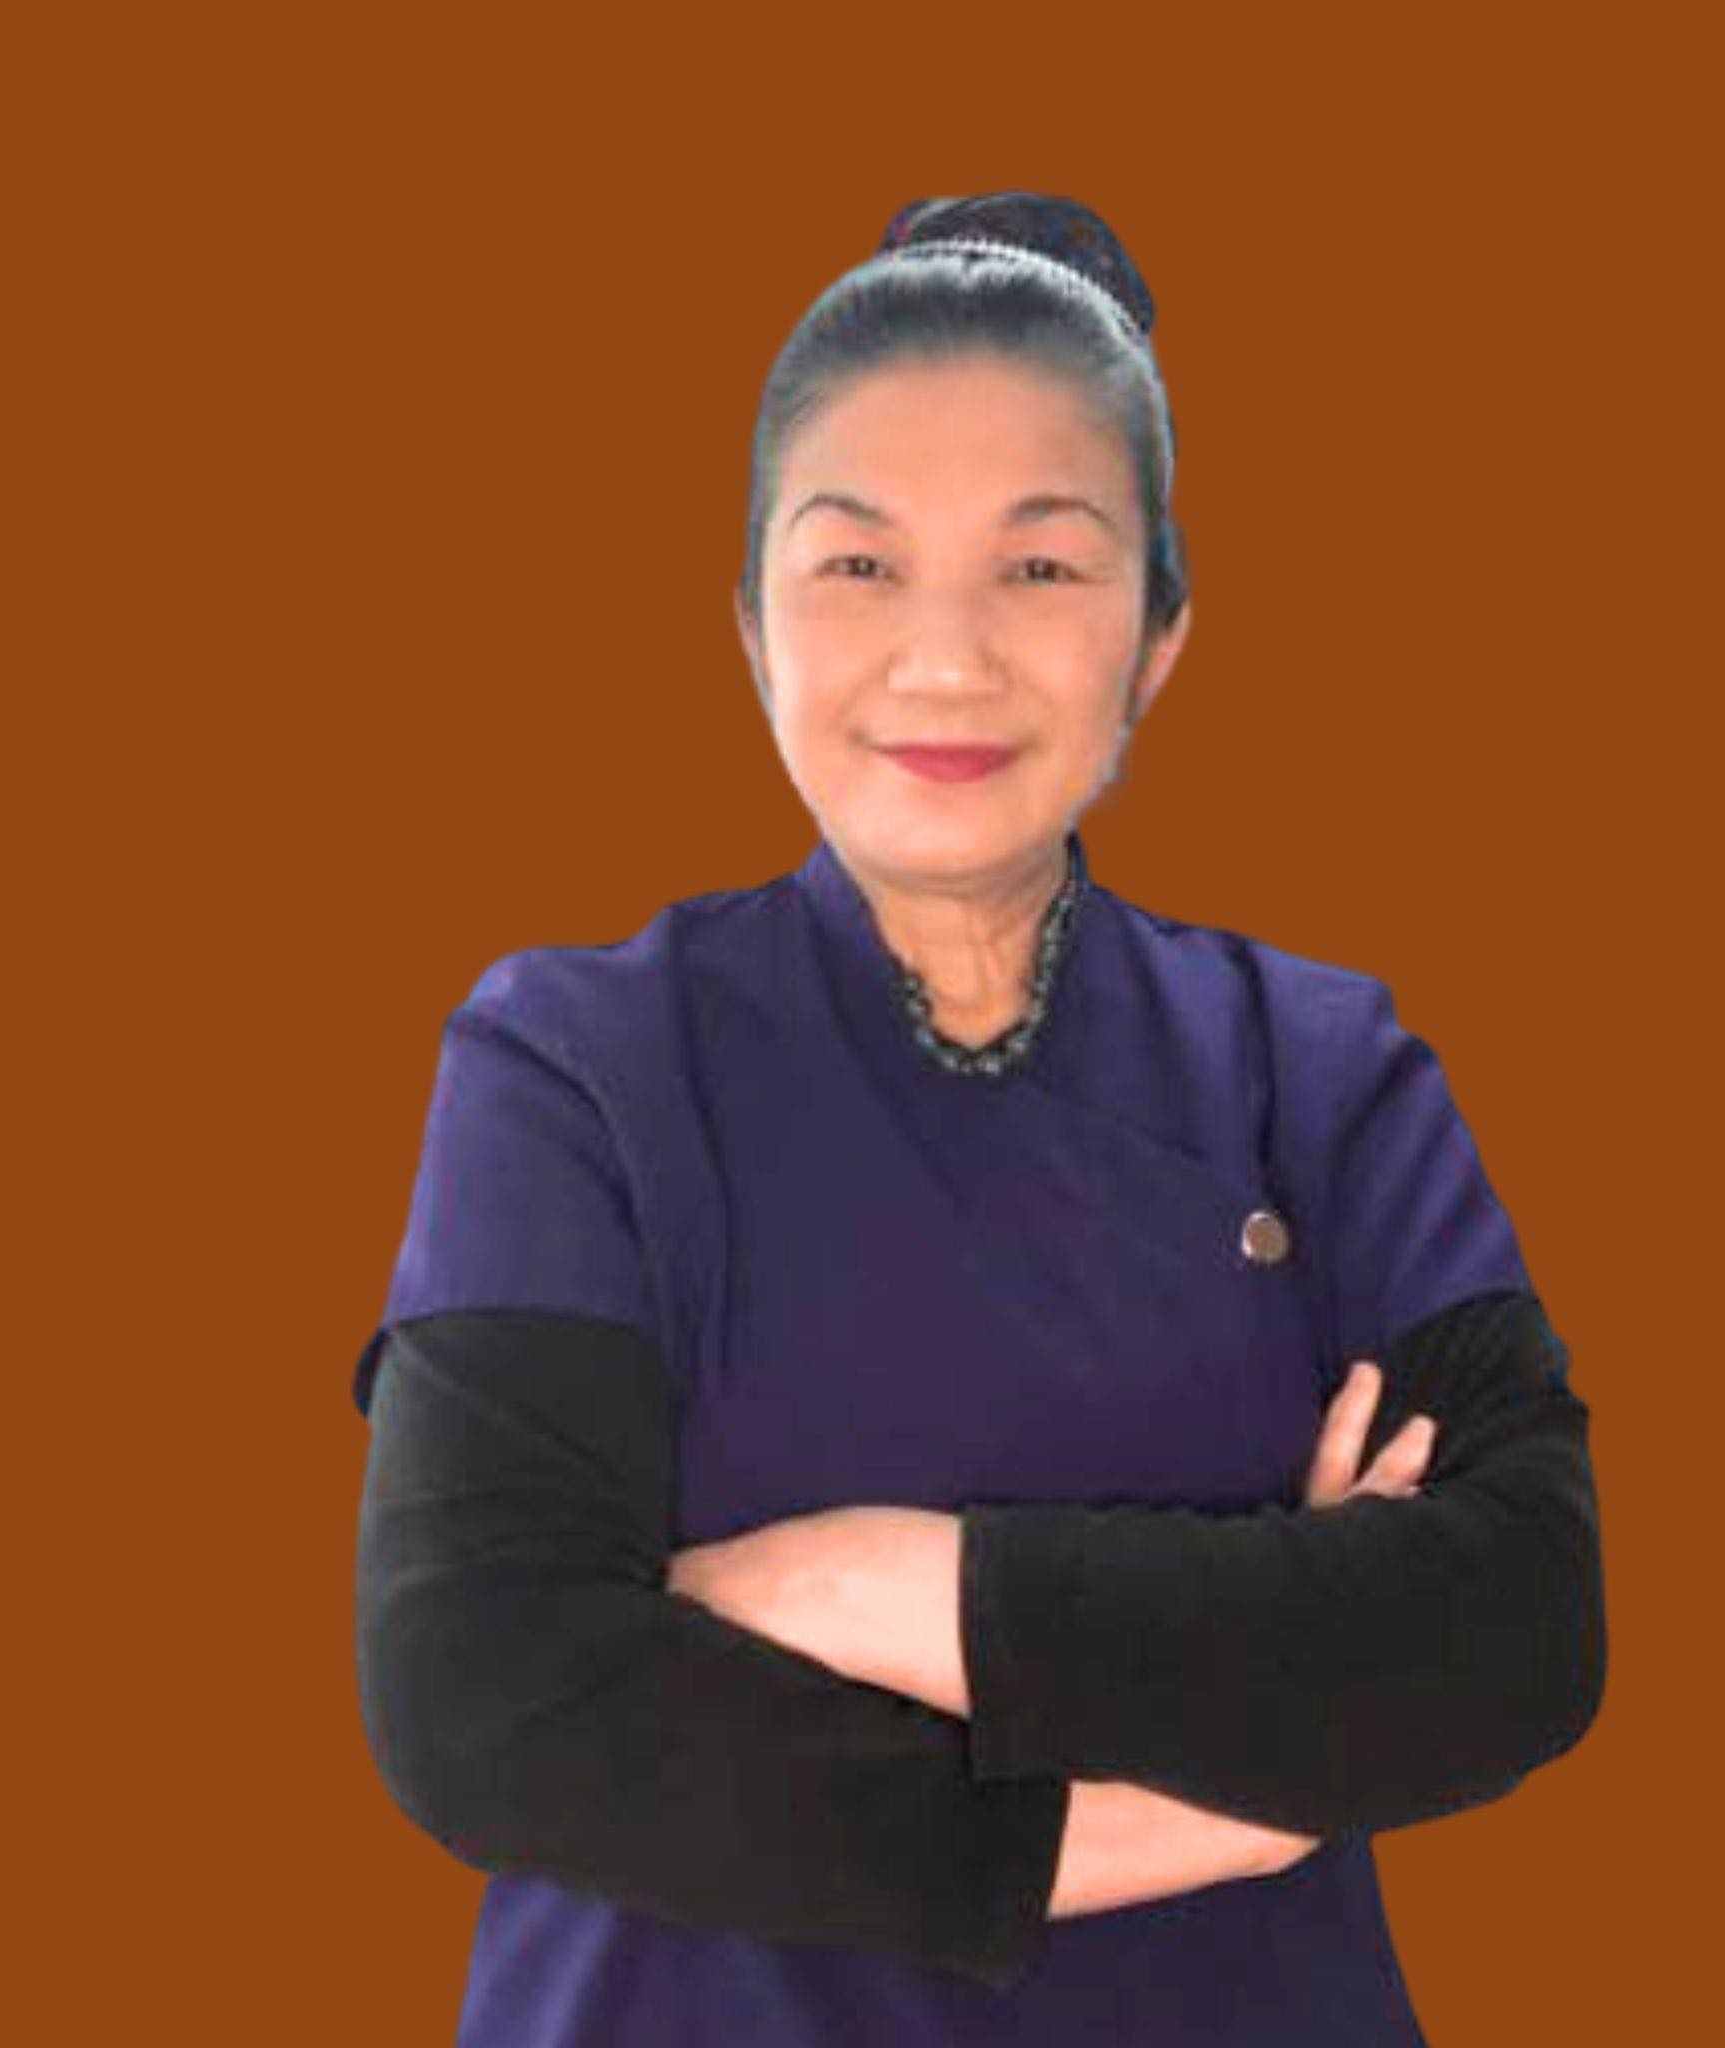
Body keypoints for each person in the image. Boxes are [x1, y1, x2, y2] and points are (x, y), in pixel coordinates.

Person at [350, 190, 1607, 2047]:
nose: (944, 658)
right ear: (753, 626)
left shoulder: (1323, 1066)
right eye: (858, 563)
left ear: (1159, 634)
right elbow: (490, 1700)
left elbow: (1514, 1628)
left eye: (1041, 568)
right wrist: (1192, 1793)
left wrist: (873, 1583)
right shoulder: (578, 1062)